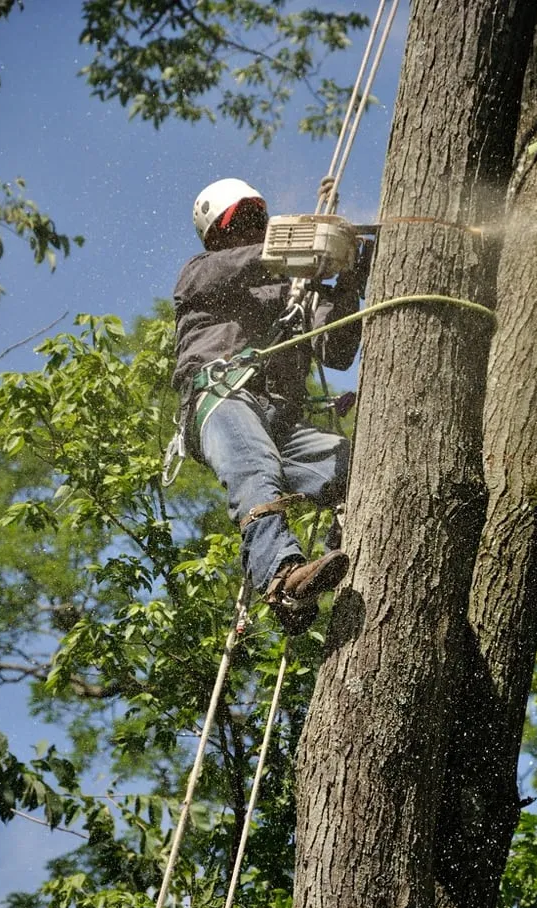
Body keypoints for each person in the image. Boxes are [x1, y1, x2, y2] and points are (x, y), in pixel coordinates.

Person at [172, 177, 366, 633]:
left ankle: (343, 560)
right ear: (216, 235)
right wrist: (306, 246)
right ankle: (281, 577)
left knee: (356, 467)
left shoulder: (292, 291)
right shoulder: (201, 272)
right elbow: (250, 263)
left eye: (257, 221)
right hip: (222, 398)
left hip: (281, 420)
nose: (252, 231)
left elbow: (337, 349)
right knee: (254, 467)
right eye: (239, 224)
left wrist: (348, 280)